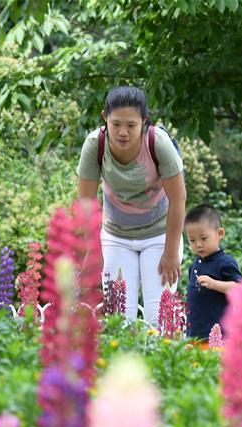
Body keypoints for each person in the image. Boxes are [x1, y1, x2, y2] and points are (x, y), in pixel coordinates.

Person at [77, 85, 186, 323]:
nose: (123, 132)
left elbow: (178, 200)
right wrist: (93, 251)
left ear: (144, 120)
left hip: (160, 235)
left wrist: (170, 252)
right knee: (119, 319)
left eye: (131, 125)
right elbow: (86, 202)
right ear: (105, 117)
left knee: (159, 319)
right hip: (116, 236)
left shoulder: (158, 143)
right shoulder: (95, 145)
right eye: (116, 124)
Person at [183, 204, 242, 340]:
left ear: (220, 233)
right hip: (193, 335)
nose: (198, 244)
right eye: (192, 240)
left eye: (204, 238)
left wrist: (214, 284)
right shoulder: (194, 265)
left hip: (218, 336)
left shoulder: (225, 262)